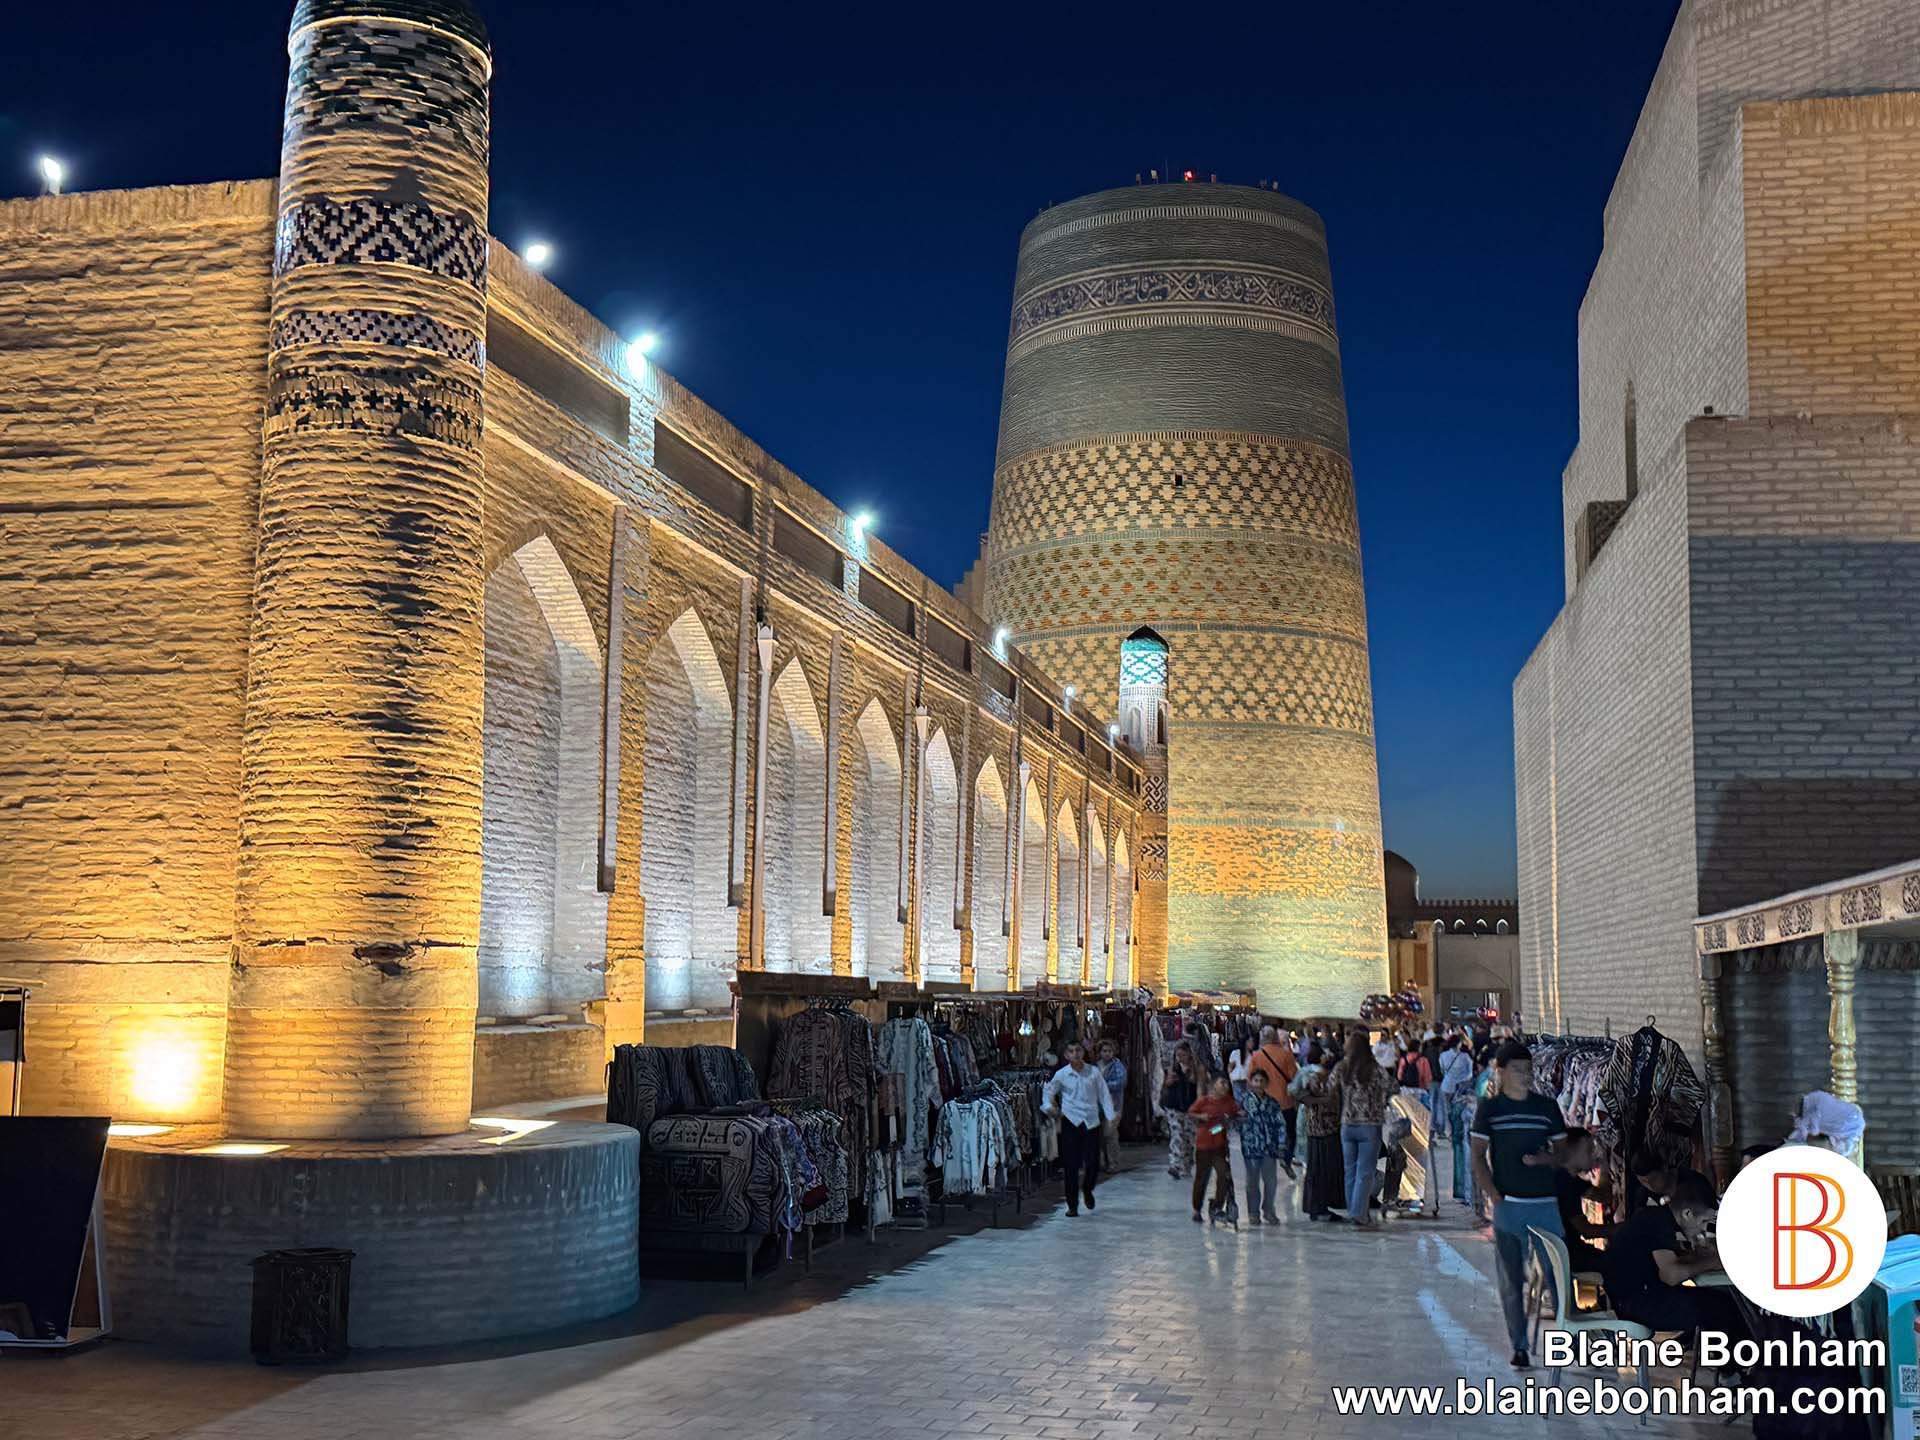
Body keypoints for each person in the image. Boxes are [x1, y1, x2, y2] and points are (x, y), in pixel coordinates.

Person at [1471, 1039, 1567, 1369]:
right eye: (1517, 1070)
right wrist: (1494, 1197)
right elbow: (1477, 1157)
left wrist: (1545, 1158)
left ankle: (1566, 1339)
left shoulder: (1546, 1108)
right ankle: (1520, 1345)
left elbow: (1564, 1153)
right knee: (1512, 1279)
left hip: (1545, 1203)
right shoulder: (1490, 1110)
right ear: (1501, 1072)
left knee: (1558, 1275)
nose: (1525, 1075)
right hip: (1509, 1205)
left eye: (1528, 1069)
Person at [1602, 1171, 1747, 1342]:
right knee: (1722, 1307)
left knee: (1720, 1301)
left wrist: (1706, 1257)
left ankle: (1726, 1361)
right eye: (1702, 1223)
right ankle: (1737, 1363)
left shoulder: (1656, 1217)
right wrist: (1716, 1261)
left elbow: (1670, 1261)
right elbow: (1670, 1275)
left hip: (1632, 1298)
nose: (1702, 1231)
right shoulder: (1659, 1223)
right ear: (1687, 1214)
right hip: (1634, 1305)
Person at [1038, 1040, 1118, 1218]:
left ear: (1083, 1052)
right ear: (1066, 1055)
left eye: (1078, 1050)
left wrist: (1110, 1118)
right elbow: (1048, 1093)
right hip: (1070, 1122)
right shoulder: (1062, 1074)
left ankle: (1088, 1189)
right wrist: (1048, 1107)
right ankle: (1072, 1205)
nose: (1075, 1054)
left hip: (1091, 1122)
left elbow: (1104, 1095)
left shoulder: (1093, 1073)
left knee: (1092, 1163)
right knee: (1071, 1166)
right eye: (1071, 1051)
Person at [1331, 1030, 1396, 1230]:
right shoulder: (1375, 1069)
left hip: (1347, 1124)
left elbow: (1329, 1087)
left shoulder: (1342, 1067)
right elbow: (1393, 1087)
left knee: (1349, 1170)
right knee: (1365, 1172)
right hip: (1370, 1125)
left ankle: (1355, 1210)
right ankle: (1359, 1214)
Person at [1295, 1042, 1346, 1220]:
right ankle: (1319, 1207)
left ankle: (1317, 1206)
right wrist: (1321, 1101)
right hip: (1324, 1131)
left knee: (1319, 1170)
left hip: (1320, 1130)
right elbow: (1299, 1095)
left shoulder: (1320, 1079)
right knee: (1321, 1171)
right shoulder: (1321, 1079)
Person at [1244, 1024, 1300, 1176]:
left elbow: (1250, 1080)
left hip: (1264, 1103)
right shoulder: (1286, 1055)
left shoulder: (1256, 1056)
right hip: (1285, 1102)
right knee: (1289, 1132)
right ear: (1275, 1037)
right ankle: (1286, 1158)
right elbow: (1295, 1079)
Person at [1553, 1128, 1611, 1275]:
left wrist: (1604, 1167)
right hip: (1572, 1258)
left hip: (1570, 1253)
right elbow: (1588, 1231)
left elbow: (1603, 1196)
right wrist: (1627, 1228)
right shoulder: (1563, 1183)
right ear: (1571, 1150)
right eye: (1589, 1149)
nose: (1594, 1155)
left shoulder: (1570, 1178)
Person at [1188, 1075, 1241, 1223]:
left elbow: (1236, 1114)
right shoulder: (1204, 1101)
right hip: (1203, 1146)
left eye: (1227, 1084)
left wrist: (1238, 1116)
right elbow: (1191, 1113)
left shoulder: (1229, 1102)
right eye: (1222, 1083)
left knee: (1224, 1175)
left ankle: (1217, 1206)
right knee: (1201, 1179)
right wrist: (1201, 1116)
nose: (1225, 1086)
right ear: (1214, 1085)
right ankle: (1196, 1208)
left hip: (1219, 1147)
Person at [1238, 1067, 1287, 1224]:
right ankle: (1253, 1212)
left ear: (1266, 1083)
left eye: (1261, 1081)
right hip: (1251, 1147)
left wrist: (1281, 1143)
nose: (1258, 1084)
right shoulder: (1244, 1102)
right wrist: (1214, 1131)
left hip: (1269, 1148)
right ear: (1251, 1082)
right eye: (1256, 1080)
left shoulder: (1272, 1103)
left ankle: (1268, 1210)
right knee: (1252, 1181)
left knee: (1270, 1181)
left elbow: (1280, 1124)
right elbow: (1231, 1122)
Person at [1160, 1042, 1201, 1179]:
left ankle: (1187, 1165)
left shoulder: (1196, 1068)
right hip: (1173, 1106)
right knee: (1177, 1134)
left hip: (1191, 1107)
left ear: (1189, 1054)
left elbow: (1200, 1088)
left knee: (1189, 1137)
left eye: (1183, 1054)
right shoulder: (1172, 1068)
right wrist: (1169, 1081)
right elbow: (1165, 1086)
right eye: (1178, 1055)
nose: (1180, 1058)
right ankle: (1175, 1165)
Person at [1438, 1036, 1475, 1189]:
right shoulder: (1465, 1057)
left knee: (1448, 1111)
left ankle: (1449, 1130)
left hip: (1447, 1085)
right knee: (1459, 1112)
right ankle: (1456, 1130)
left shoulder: (1443, 1056)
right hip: (1460, 1088)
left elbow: (1441, 1070)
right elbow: (1470, 1073)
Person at [1096, 1038, 1126, 1173]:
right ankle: (1104, 1162)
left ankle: (1113, 1162)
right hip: (1097, 1106)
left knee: (1110, 1134)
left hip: (1113, 1105)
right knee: (1100, 1136)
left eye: (1109, 1051)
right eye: (1104, 1051)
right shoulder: (1096, 1066)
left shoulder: (1117, 1067)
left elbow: (1120, 1083)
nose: (1107, 1053)